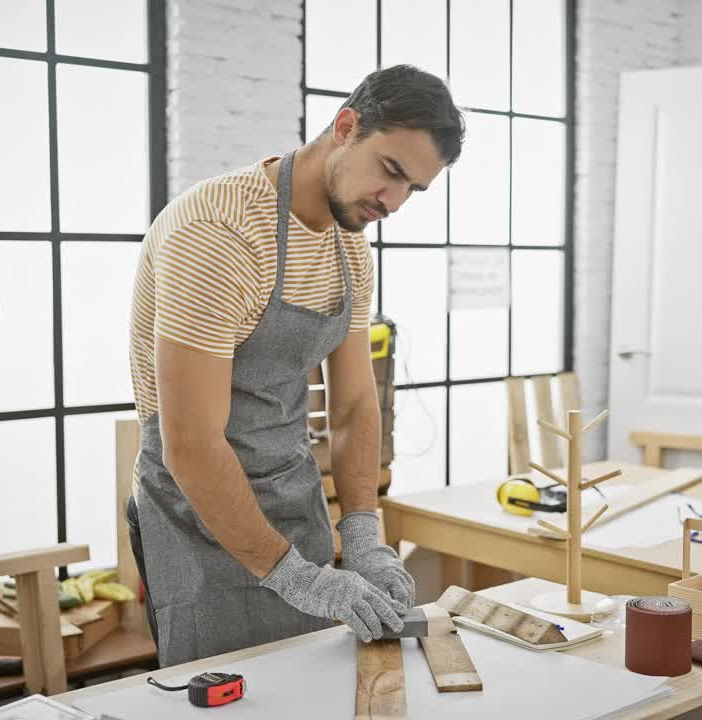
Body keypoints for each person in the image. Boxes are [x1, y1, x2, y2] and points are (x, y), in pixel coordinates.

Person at [125, 65, 465, 666]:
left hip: (291, 496)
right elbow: (192, 443)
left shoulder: (350, 252)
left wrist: (362, 532)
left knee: (312, 684)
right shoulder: (220, 230)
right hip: (195, 511)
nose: (394, 202)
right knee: (229, 696)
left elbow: (357, 405)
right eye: (390, 171)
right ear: (345, 126)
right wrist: (300, 577)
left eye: (413, 189)